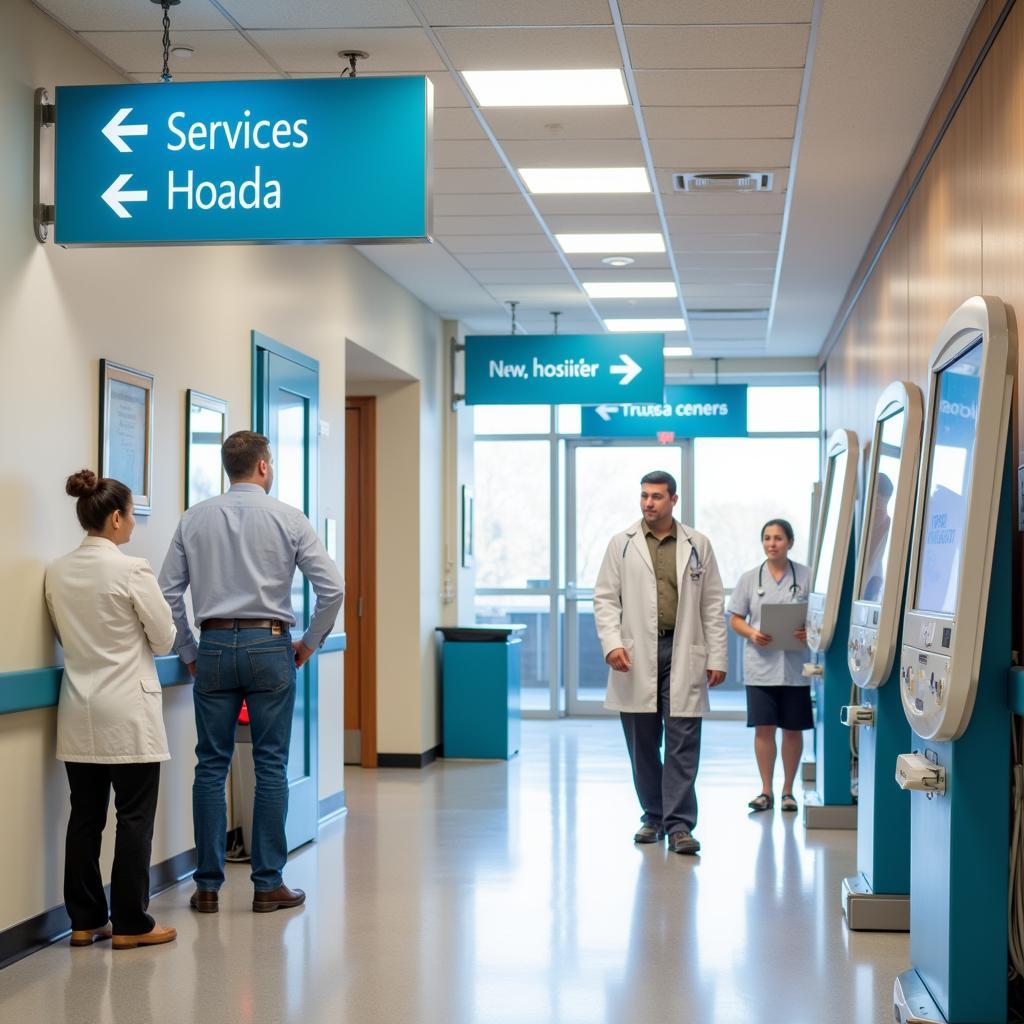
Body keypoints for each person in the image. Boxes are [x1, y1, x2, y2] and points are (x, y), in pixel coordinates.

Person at [159, 431, 343, 914]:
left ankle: (206, 887)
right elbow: (334, 588)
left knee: (211, 766)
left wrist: (189, 651)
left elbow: (167, 592)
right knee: (270, 766)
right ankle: (267, 885)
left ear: (228, 467)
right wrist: (309, 643)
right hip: (270, 646)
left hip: (215, 645)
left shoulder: (193, 519)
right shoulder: (289, 518)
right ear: (263, 466)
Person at [44, 470, 178, 950]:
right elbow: (165, 638)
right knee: (135, 817)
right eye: (131, 517)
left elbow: (65, 635)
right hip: (129, 713)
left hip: (80, 709)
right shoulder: (131, 569)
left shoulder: (57, 570)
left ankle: (84, 920)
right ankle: (130, 923)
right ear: (117, 517)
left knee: (85, 817)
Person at [593, 470, 727, 855]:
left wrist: (716, 655)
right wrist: (612, 643)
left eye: (656, 496)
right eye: (643, 496)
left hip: (683, 650)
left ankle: (680, 825)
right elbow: (605, 599)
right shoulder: (621, 544)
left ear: (673, 500)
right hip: (635, 653)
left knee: (684, 738)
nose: (648, 503)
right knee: (642, 741)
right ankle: (653, 815)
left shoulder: (698, 544)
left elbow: (712, 604)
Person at [728, 518, 812, 813]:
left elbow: (819, 616)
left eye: (778, 538)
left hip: (795, 667)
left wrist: (808, 631)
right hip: (760, 666)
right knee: (763, 729)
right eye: (767, 538)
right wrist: (752, 632)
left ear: (790, 542)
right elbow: (735, 617)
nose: (771, 543)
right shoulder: (750, 578)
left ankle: (788, 791)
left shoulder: (806, 576)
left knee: (792, 729)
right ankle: (766, 791)